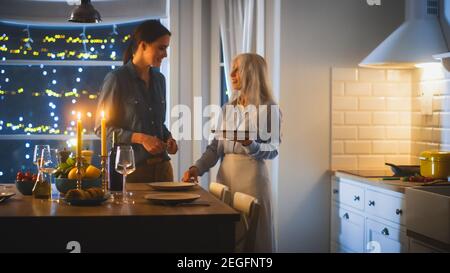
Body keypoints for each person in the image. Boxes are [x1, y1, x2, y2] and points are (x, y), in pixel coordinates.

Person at [182, 53, 281, 253]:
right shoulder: (228, 108)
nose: (231, 73)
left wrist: (251, 144)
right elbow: (214, 148)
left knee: (253, 242)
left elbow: (272, 150)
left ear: (251, 73)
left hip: (253, 181)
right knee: (227, 238)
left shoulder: (269, 108)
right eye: (232, 68)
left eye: (238, 69)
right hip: (225, 180)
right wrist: (196, 168)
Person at [95, 20, 177, 183]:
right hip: (132, 173)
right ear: (143, 45)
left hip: (163, 171)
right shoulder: (117, 79)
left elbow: (158, 124)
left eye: (166, 48)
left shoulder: (160, 79)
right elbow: (101, 129)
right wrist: (140, 138)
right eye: (161, 48)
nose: (165, 54)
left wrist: (168, 138)